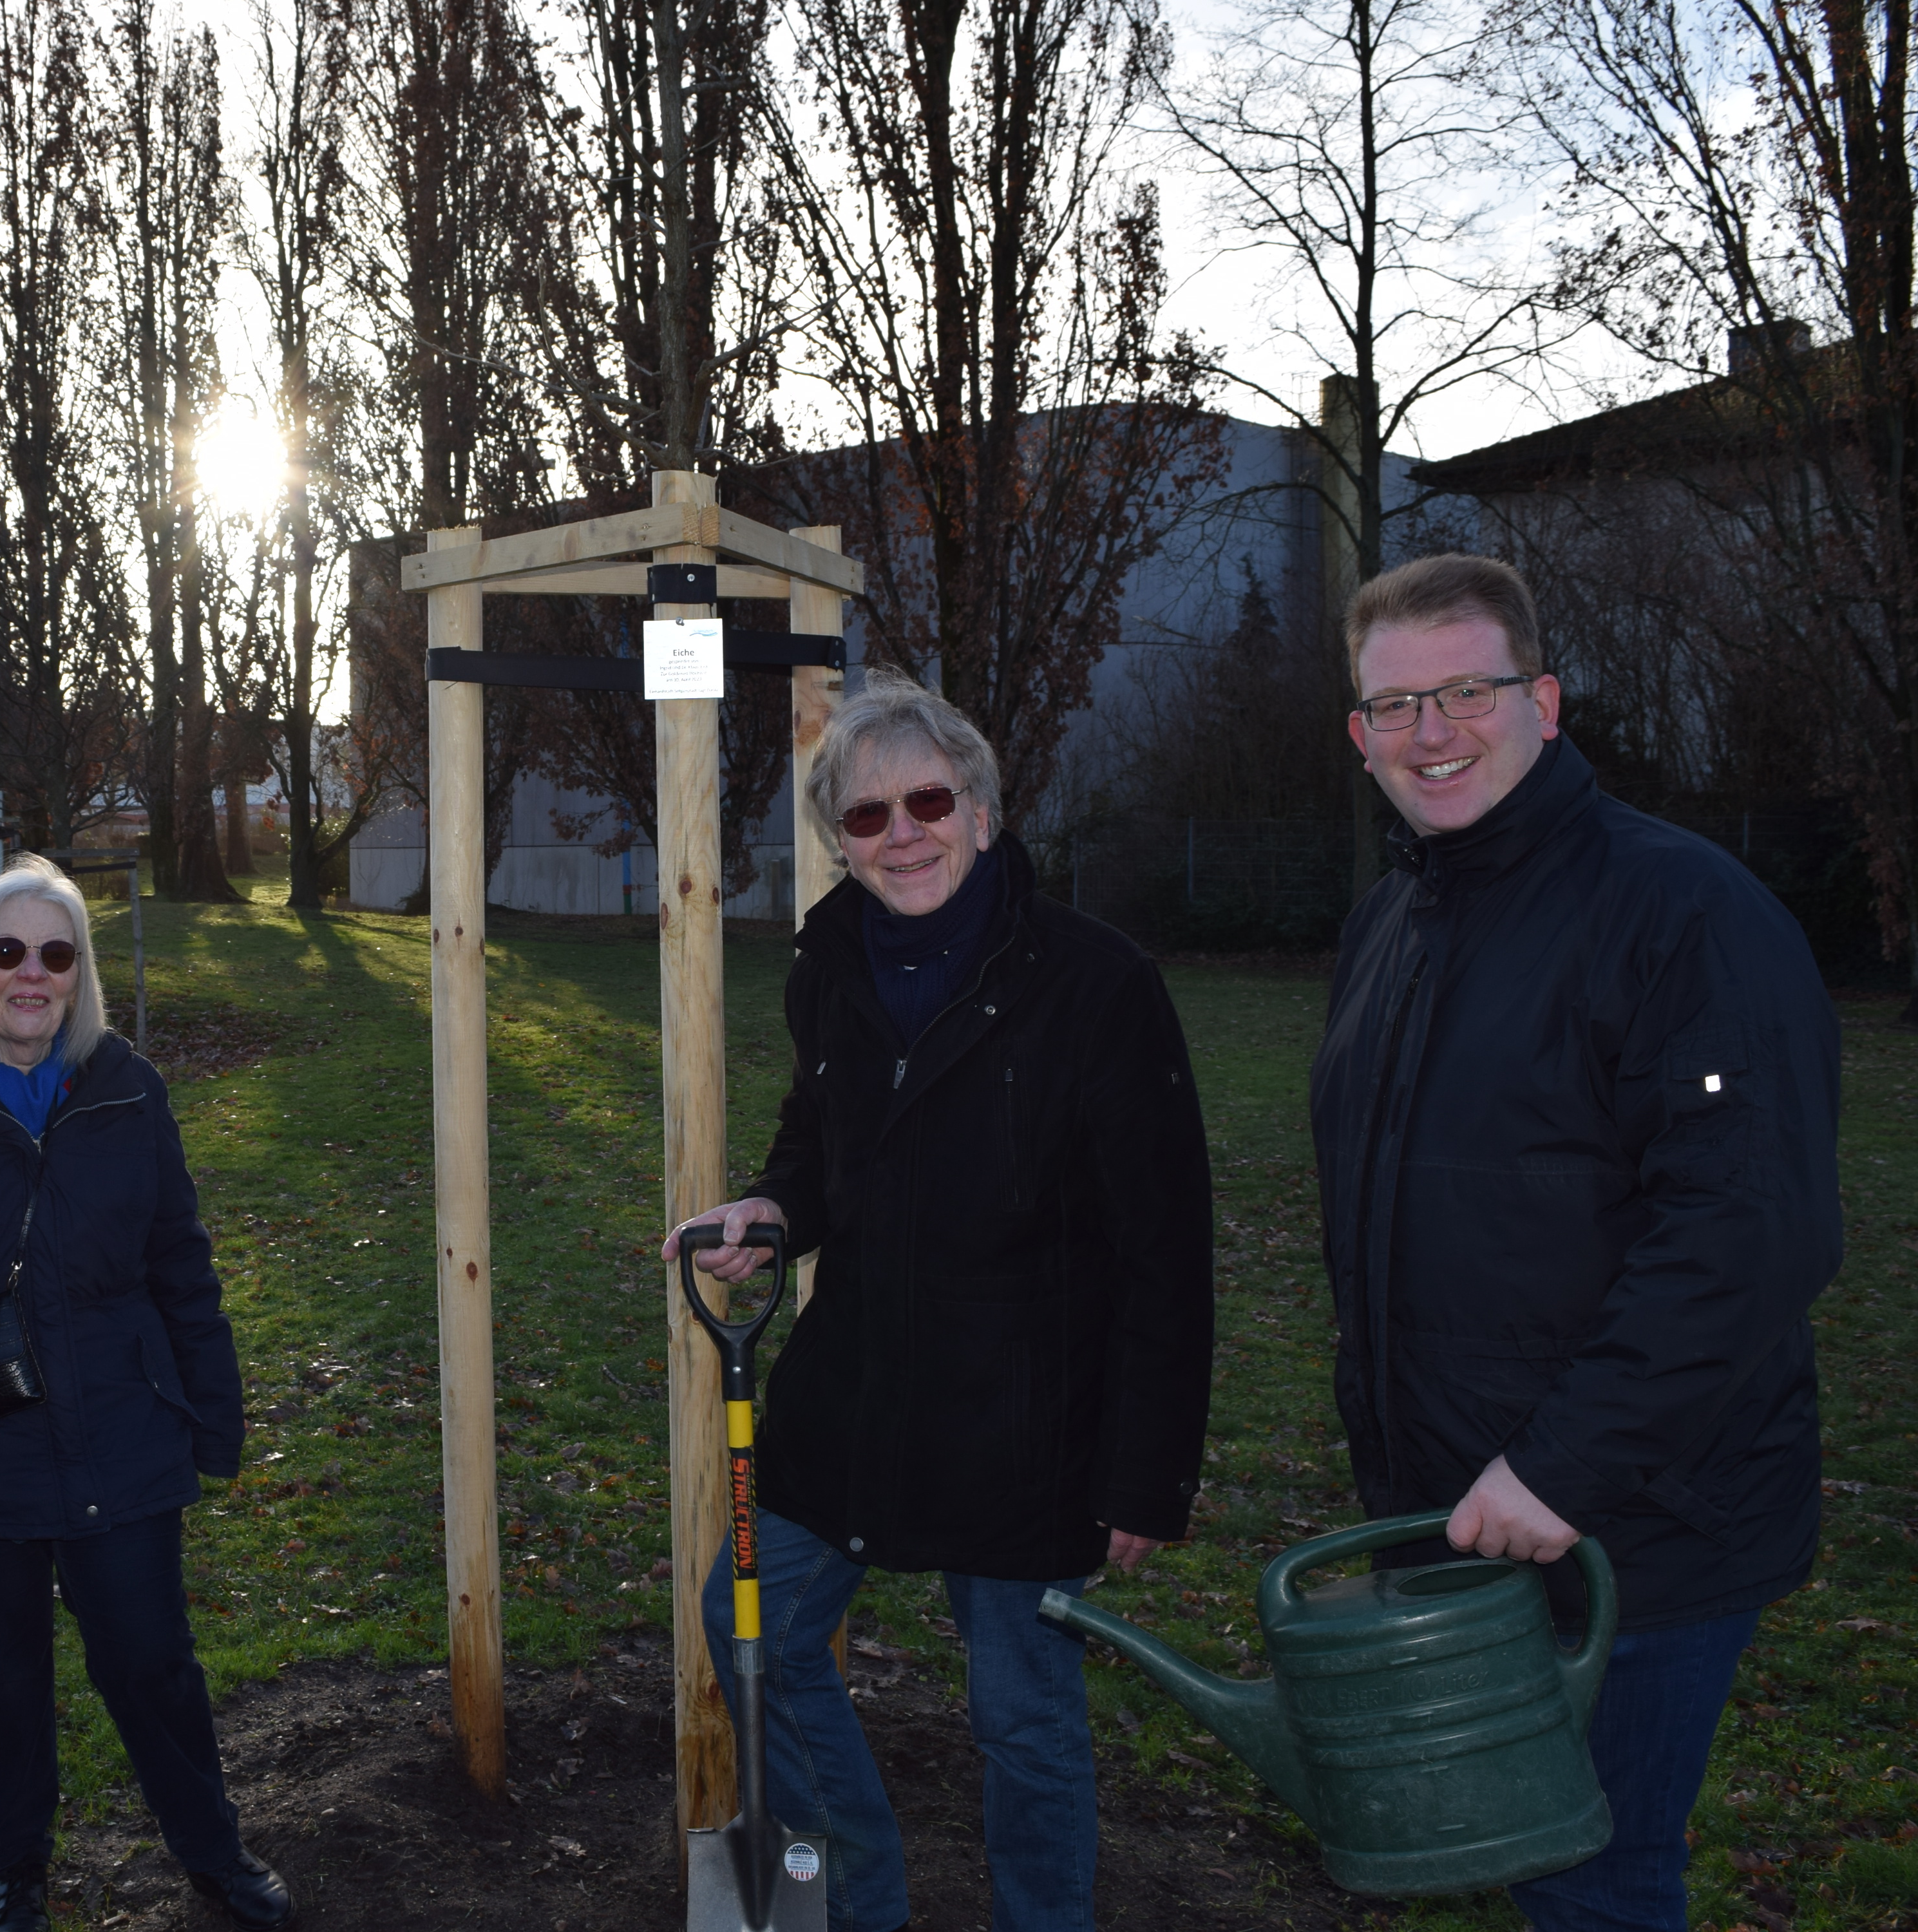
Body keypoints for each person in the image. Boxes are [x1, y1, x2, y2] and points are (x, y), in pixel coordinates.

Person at [1313, 554, 1840, 1932]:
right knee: (1539, 1869)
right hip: (1460, 1520)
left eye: (1467, 692)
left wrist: (1560, 1469)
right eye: (1394, 705)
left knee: (1596, 1883)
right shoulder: (1391, 924)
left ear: (1541, 703)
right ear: (1359, 734)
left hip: (1638, 1532)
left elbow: (1747, 1233)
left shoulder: (1681, 913)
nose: (1430, 731)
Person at [668, 667, 1215, 1932]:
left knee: (1022, 1719)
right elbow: (820, 1143)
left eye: (926, 801)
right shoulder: (829, 969)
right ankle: (861, 1901)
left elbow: (1164, 1246)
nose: (901, 834)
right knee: (750, 1629)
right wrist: (772, 1209)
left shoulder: (1096, 983)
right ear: (839, 841)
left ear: (981, 807)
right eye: (866, 816)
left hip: (1029, 1424)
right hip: (856, 1393)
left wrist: (1147, 1475)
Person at [0, 855, 287, 1932]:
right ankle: (16, 1873)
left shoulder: (128, 1085)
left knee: (151, 1661)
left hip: (120, 1426)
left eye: (58, 953)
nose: (32, 974)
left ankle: (213, 1850)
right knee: (0, 1673)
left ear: (81, 973)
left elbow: (180, 1260)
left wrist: (214, 1412)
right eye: (8, 952)